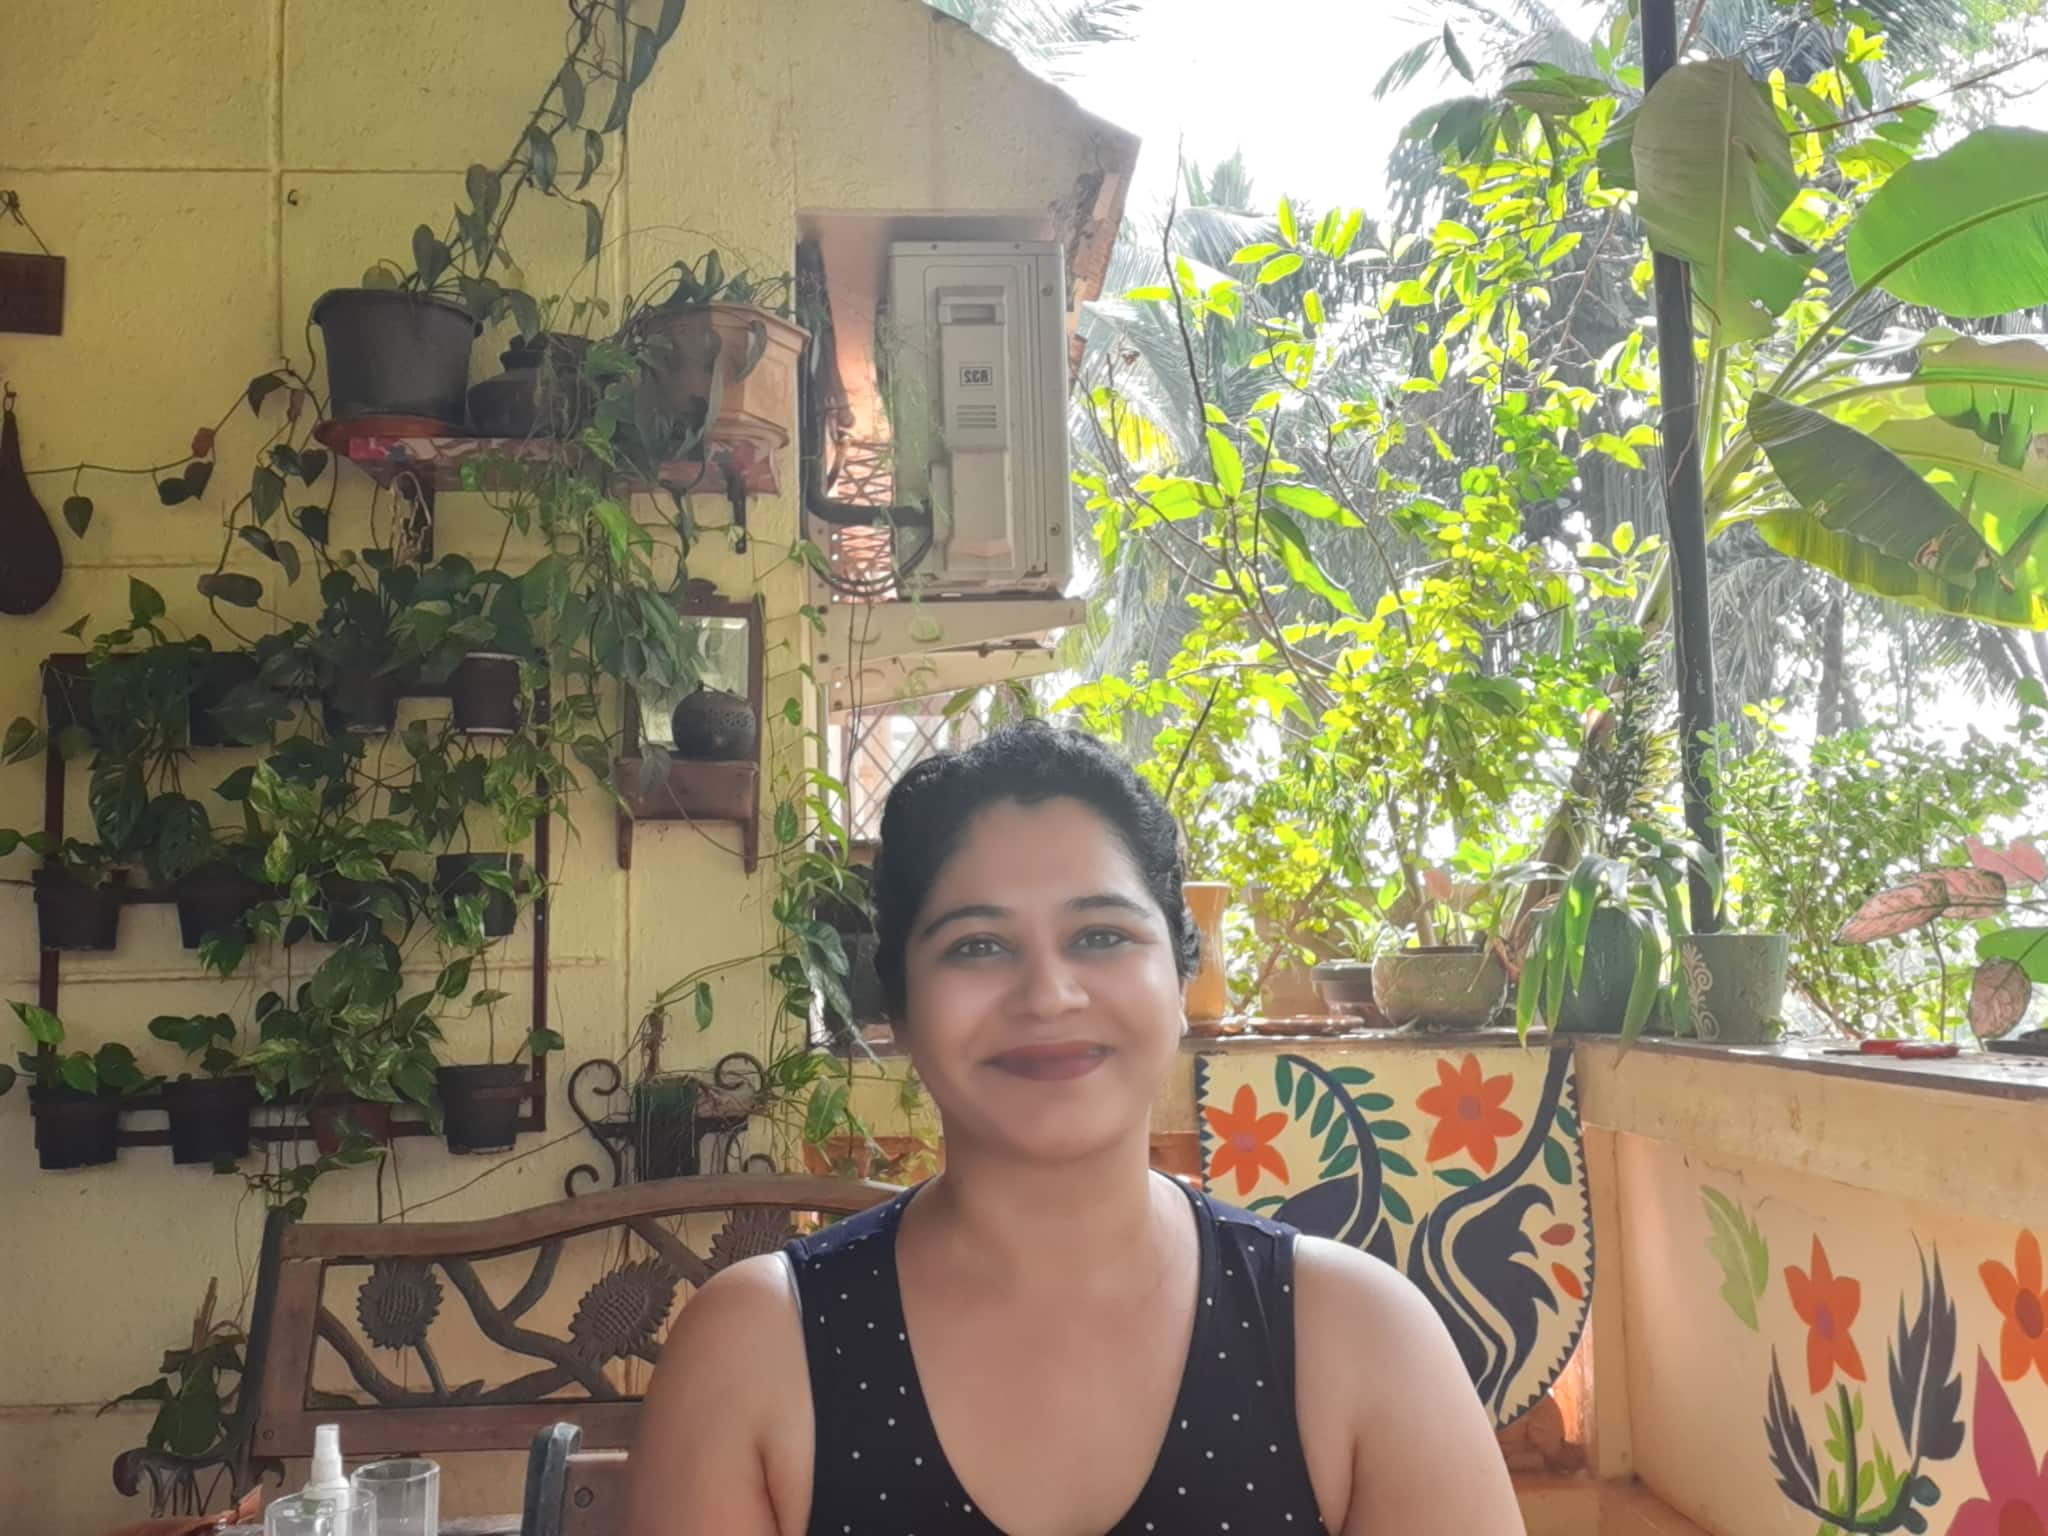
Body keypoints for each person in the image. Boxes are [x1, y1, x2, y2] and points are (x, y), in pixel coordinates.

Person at [628, 721, 1525, 1536]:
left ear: (1181, 984)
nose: (1049, 995)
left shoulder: (1361, 1338)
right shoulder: (754, 1350)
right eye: (977, 946)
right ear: (897, 1010)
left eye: (1100, 936)